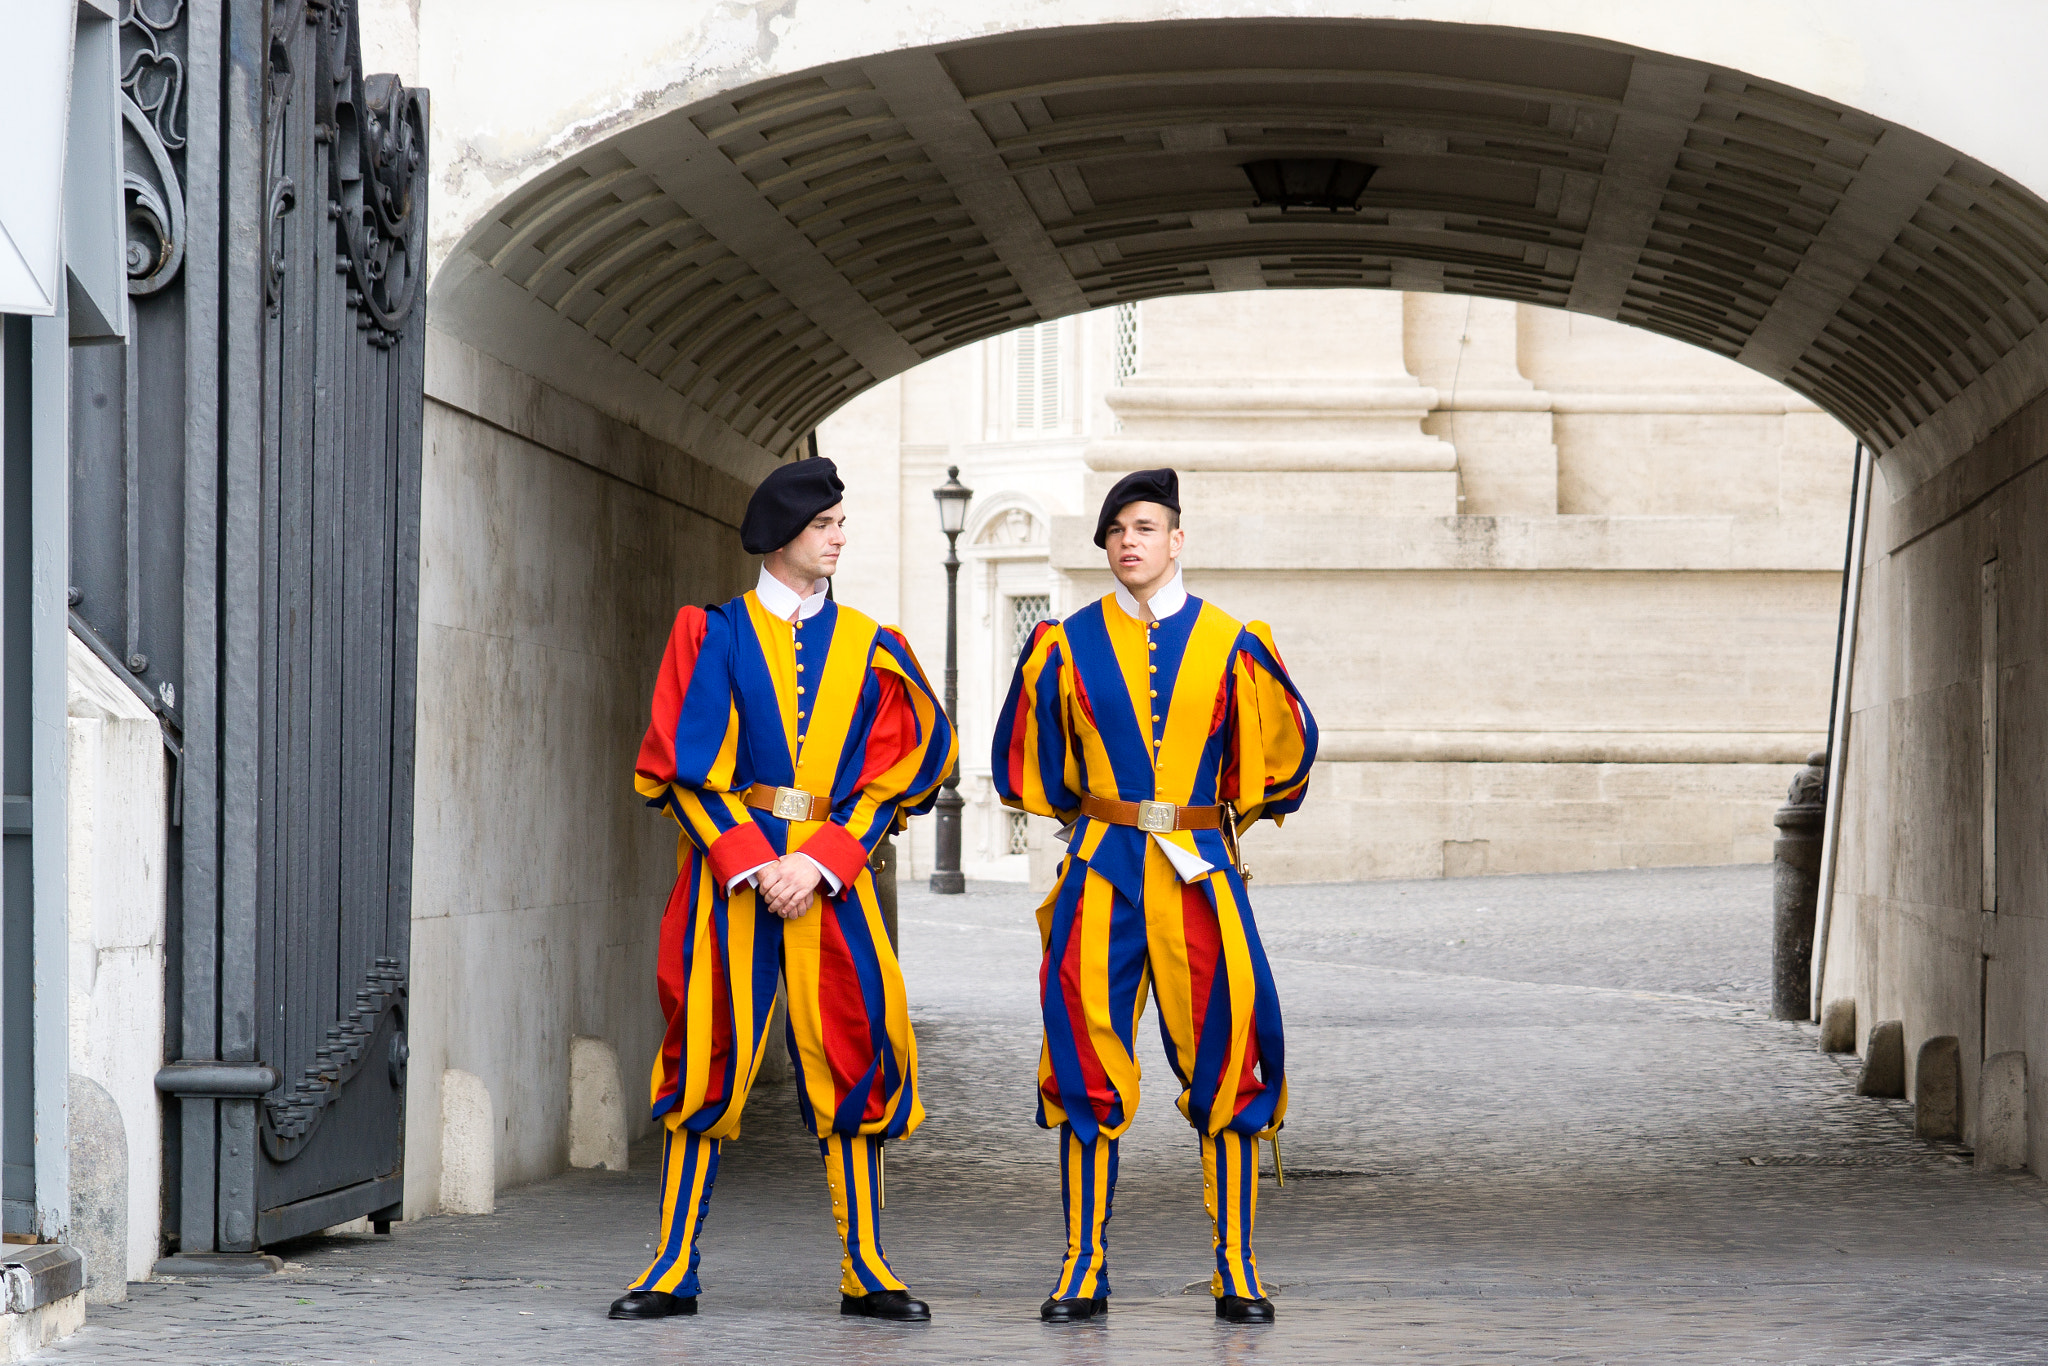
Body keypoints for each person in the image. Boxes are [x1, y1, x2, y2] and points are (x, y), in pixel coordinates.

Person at [612, 456, 956, 1324]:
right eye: (824, 524)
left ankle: (867, 1266)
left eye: (842, 523)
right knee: (706, 1051)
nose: (839, 537)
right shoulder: (716, 633)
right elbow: (681, 769)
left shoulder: (874, 645)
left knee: (855, 1049)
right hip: (733, 879)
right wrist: (753, 861)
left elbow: (895, 772)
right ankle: (671, 1264)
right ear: (781, 536)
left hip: (831, 880)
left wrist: (824, 859)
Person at [992, 467, 1317, 1326]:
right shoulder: (1065, 643)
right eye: (1114, 532)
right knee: (1083, 1057)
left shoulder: (1234, 642)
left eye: (1143, 528)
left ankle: (1237, 1268)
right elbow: (1033, 760)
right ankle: (1082, 1265)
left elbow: (1280, 758)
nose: (1126, 542)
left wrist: (1211, 823)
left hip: (1200, 870)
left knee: (1227, 1050)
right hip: (1102, 867)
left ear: (1177, 540)